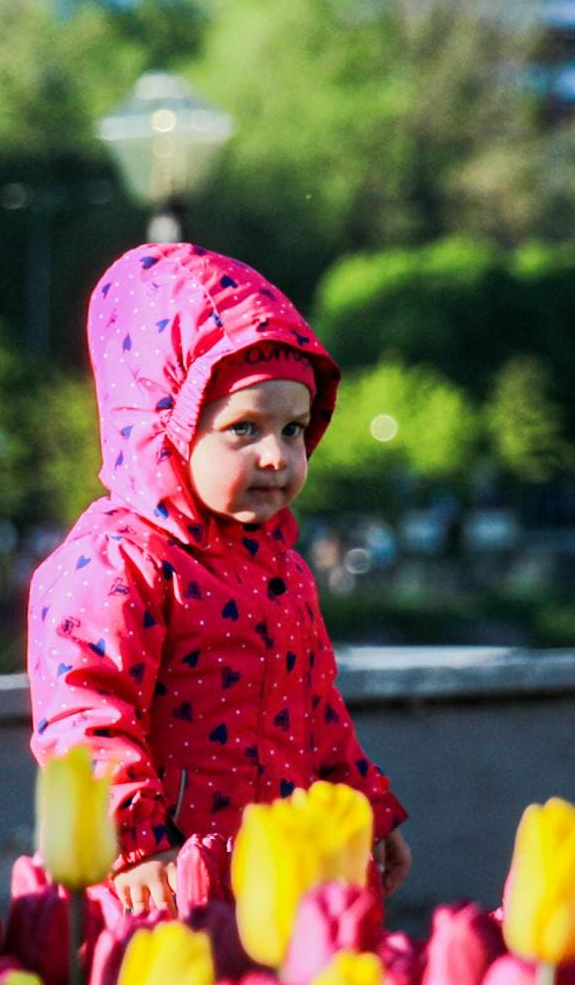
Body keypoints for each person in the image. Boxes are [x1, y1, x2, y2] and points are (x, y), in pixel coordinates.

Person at [27, 242, 411, 915]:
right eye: (245, 428)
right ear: (162, 427)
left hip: (285, 876)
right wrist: (133, 844)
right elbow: (84, 718)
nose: (277, 456)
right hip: (163, 885)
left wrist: (363, 810)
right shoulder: (117, 562)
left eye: (294, 428)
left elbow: (318, 712)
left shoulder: (283, 568)